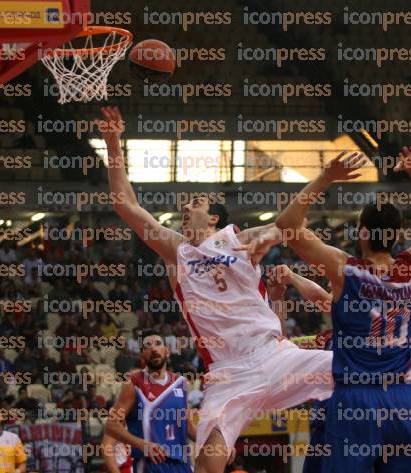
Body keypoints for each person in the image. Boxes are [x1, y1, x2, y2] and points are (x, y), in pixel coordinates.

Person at [98, 106, 333, 473]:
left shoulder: (241, 241)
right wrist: (113, 144)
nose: (184, 207)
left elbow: (288, 223)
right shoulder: (176, 251)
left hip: (276, 355)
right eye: (185, 204)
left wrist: (324, 177)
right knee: (208, 462)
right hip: (228, 372)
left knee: (364, 371)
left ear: (214, 219)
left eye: (195, 203)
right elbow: (125, 204)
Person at [275, 144, 411, 472]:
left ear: (361, 232)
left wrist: (326, 177)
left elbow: (287, 224)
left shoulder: (345, 269)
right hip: (403, 400)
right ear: (396, 235)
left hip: (357, 400)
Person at [104, 330, 196, 472]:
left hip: (181, 464)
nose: (153, 349)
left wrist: (219, 443)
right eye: (147, 346)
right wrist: (142, 444)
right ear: (142, 354)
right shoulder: (134, 383)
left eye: (158, 344)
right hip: (150, 464)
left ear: (167, 351)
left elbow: (188, 426)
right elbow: (111, 425)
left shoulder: (181, 383)